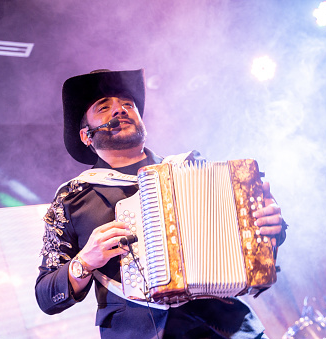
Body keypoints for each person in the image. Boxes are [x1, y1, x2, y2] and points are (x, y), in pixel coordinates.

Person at [34, 69, 287, 339]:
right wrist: (84, 261)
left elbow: (248, 245)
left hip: (229, 327)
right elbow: (46, 295)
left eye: (128, 104)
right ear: (86, 135)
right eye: (104, 107)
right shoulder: (71, 199)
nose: (120, 109)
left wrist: (271, 229)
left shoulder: (191, 168)